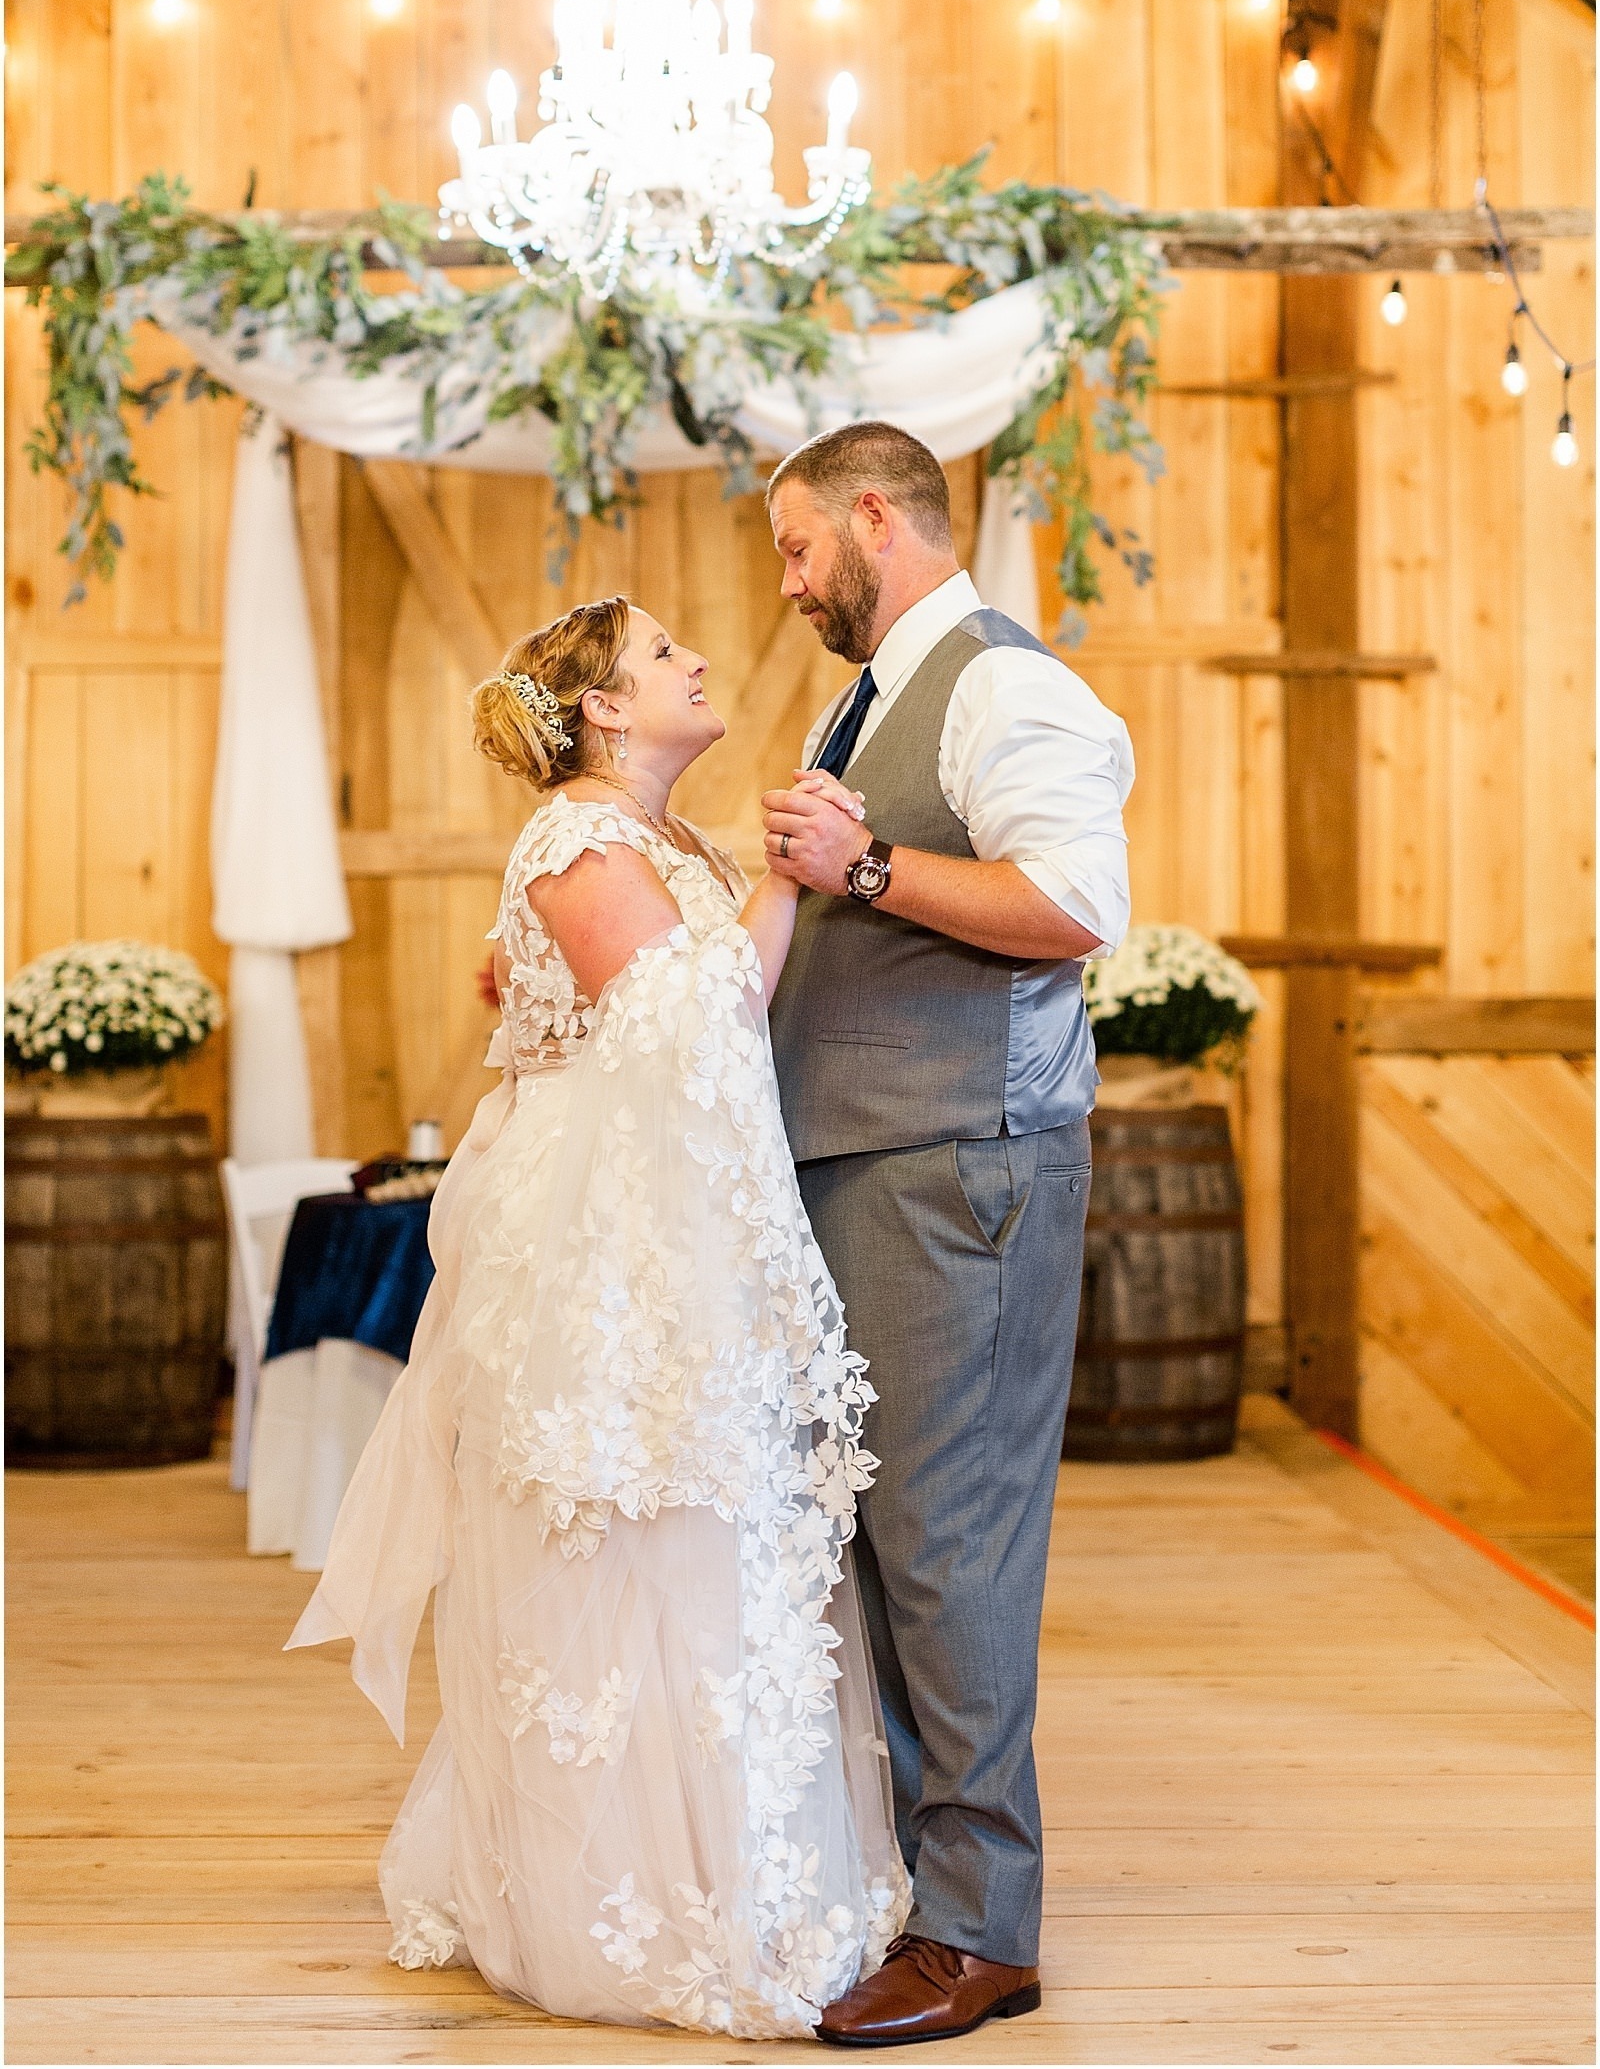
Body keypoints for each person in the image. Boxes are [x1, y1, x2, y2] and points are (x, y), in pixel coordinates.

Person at [287, 595, 908, 2039]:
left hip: (675, 1222)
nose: (694, 662)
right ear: (612, 711)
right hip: (606, 1250)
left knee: (715, 1538)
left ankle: (737, 1867)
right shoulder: (577, 835)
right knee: (628, 1533)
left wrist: (746, 877)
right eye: (664, 654)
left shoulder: (654, 840)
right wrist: (783, 880)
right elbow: (701, 1023)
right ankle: (628, 1902)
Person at [760, 421, 1135, 2049]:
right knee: (885, 1545)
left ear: (871, 518)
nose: (786, 587)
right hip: (871, 1163)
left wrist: (876, 861)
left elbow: (1074, 908)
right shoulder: (873, 691)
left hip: (959, 1171)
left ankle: (983, 1930)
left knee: (952, 1545)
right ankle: (932, 1895)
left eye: (793, 552)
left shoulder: (1002, 683)